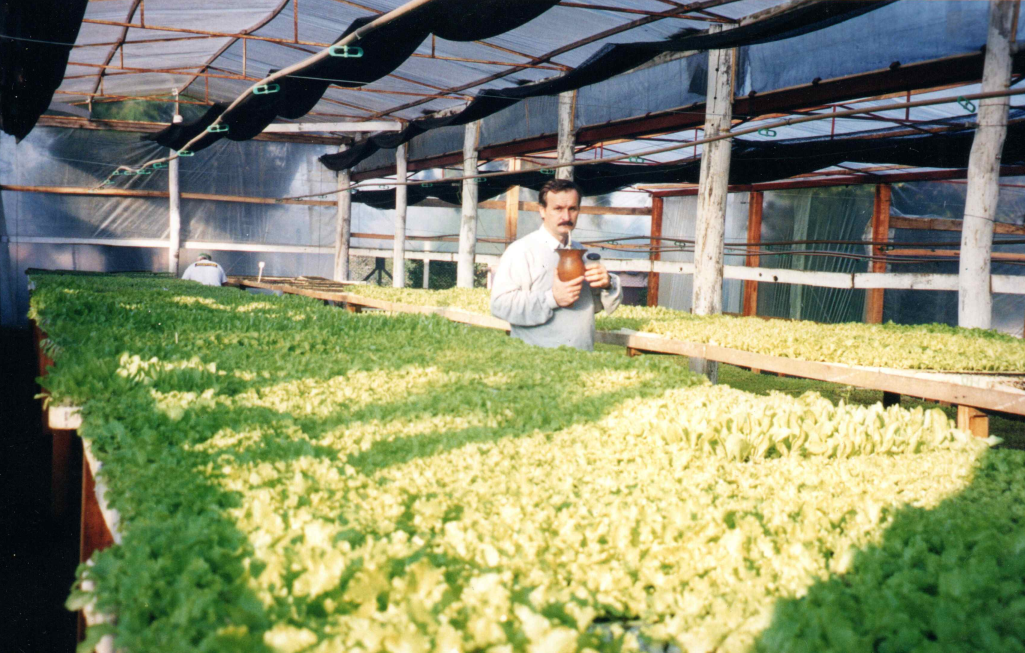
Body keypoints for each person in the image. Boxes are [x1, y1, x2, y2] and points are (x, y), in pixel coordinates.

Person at [491, 179, 621, 351]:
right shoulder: (522, 251)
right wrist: (552, 299)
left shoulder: (583, 254)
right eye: (558, 209)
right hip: (537, 362)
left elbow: (593, 306)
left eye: (572, 209)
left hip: (581, 358)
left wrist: (607, 284)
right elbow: (500, 305)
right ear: (542, 211)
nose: (566, 217)